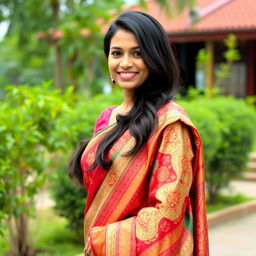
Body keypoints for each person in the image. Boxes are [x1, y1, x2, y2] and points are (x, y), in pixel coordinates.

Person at [68, 11, 209, 256]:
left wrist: (100, 242)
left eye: (137, 53)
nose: (124, 63)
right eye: (116, 53)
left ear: (156, 58)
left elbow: (166, 216)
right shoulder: (106, 118)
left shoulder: (170, 123)